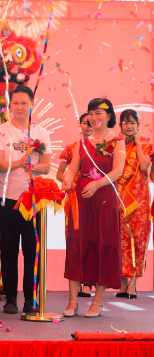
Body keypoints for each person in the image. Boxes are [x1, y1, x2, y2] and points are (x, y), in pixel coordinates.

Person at [61, 98, 125, 318]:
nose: (94, 117)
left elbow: (117, 171)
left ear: (109, 116)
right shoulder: (81, 143)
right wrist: (67, 179)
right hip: (81, 201)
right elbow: (72, 168)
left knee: (102, 247)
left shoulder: (117, 143)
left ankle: (97, 301)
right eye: (91, 113)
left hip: (105, 200)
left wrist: (97, 184)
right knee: (76, 247)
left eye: (99, 113)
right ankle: (72, 301)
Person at [0, 86, 52, 314]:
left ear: (31, 105)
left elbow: (45, 166)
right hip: (7, 199)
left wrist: (32, 166)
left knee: (32, 252)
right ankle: (10, 299)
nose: (19, 107)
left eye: (24, 103)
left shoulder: (41, 133)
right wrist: (18, 163)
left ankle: (30, 299)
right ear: (10, 106)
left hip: (33, 201)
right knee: (8, 251)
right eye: (15, 103)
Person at [56, 113, 94, 298]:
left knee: (92, 239)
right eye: (85, 123)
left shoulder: (101, 149)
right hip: (74, 200)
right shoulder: (71, 148)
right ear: (80, 125)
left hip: (93, 198)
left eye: (91, 123)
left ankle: (88, 284)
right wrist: (71, 184)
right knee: (75, 241)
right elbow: (59, 174)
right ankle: (76, 282)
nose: (88, 126)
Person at [116, 109, 152, 299]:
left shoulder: (146, 143)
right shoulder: (114, 143)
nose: (129, 126)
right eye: (125, 122)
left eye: (132, 123)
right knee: (119, 239)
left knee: (139, 238)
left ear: (138, 124)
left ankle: (134, 283)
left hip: (139, 200)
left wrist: (137, 142)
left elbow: (144, 166)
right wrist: (121, 143)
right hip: (118, 199)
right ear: (120, 124)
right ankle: (123, 283)